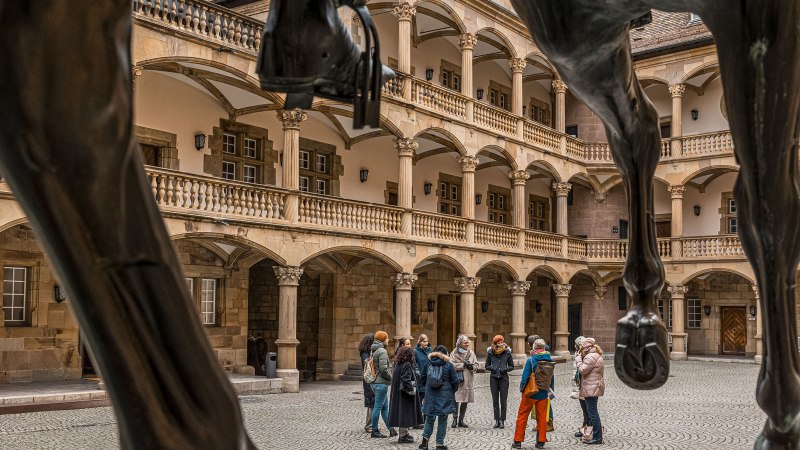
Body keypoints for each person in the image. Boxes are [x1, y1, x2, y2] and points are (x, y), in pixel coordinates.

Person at [513, 339, 554, 449]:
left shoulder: (531, 360)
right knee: (541, 418)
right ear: (544, 348)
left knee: (522, 416)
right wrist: (549, 392)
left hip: (530, 393)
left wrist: (522, 389)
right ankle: (540, 442)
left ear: (534, 348)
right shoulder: (550, 360)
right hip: (543, 393)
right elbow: (551, 378)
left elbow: (525, 377)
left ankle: (517, 441)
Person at [419, 344, 459, 450]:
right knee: (442, 419)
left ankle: (424, 443)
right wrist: (452, 391)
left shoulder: (428, 363)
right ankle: (439, 444)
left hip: (430, 395)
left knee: (429, 418)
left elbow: (422, 378)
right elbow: (455, 381)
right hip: (444, 396)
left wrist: (426, 389)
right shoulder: (448, 365)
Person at [389, 346, 424, 444]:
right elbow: (406, 379)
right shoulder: (407, 364)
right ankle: (403, 436)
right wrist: (411, 389)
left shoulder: (398, 364)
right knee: (405, 414)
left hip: (398, 394)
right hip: (404, 395)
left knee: (402, 414)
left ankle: (404, 434)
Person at [576, 337, 605, 445]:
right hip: (594, 386)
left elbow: (583, 370)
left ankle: (597, 437)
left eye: (582, 348)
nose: (581, 350)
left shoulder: (590, 357)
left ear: (587, 348)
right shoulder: (596, 355)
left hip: (591, 387)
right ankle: (595, 434)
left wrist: (578, 360)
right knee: (592, 411)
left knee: (592, 412)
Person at [370, 330, 397, 438]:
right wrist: (391, 378)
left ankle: (391, 429)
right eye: (386, 338)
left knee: (385, 408)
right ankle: (375, 430)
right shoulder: (382, 351)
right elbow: (383, 368)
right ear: (382, 339)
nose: (388, 339)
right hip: (381, 383)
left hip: (376, 382)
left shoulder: (374, 349)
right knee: (378, 407)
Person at [485, 334, 514, 429]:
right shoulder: (490, 352)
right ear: (495, 344)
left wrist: (505, 369)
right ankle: (497, 420)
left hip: (504, 378)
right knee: (495, 400)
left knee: (503, 400)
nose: (501, 344)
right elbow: (486, 365)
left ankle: (502, 421)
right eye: (499, 342)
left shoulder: (507, 352)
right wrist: (492, 368)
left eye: (502, 342)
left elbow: (512, 366)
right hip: (493, 378)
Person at [449, 335, 478, 428]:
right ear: (460, 343)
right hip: (458, 380)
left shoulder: (471, 353)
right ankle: (454, 419)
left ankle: (461, 420)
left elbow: (476, 365)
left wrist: (472, 367)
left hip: (468, 380)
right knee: (456, 400)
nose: (467, 344)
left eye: (468, 342)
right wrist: (462, 365)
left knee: (465, 400)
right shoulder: (454, 352)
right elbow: (451, 365)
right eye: (465, 342)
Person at [570, 336, 592, 439]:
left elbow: (583, 369)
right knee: (585, 408)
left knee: (588, 408)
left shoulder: (585, 354)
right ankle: (586, 426)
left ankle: (588, 428)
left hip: (585, 385)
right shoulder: (578, 354)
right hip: (580, 385)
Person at [358, 334, 376, 433]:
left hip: (370, 379)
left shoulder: (368, 352)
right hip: (368, 380)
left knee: (373, 402)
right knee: (371, 402)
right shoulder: (365, 353)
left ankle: (372, 424)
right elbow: (367, 364)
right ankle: (369, 425)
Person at [414, 334, 433, 428]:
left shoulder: (431, 351)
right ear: (420, 342)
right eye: (424, 341)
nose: (426, 343)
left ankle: (426, 421)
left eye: (426, 341)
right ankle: (417, 421)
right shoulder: (415, 352)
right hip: (419, 379)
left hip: (429, 379)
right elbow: (415, 365)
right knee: (418, 401)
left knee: (427, 401)